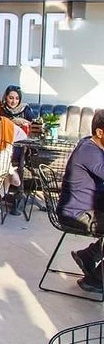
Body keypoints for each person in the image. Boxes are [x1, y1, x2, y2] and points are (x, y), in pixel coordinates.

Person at [62, 110, 104, 293]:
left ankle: (89, 255)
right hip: (77, 214)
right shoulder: (90, 152)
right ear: (100, 132)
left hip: (86, 208)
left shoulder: (92, 146)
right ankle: (96, 280)